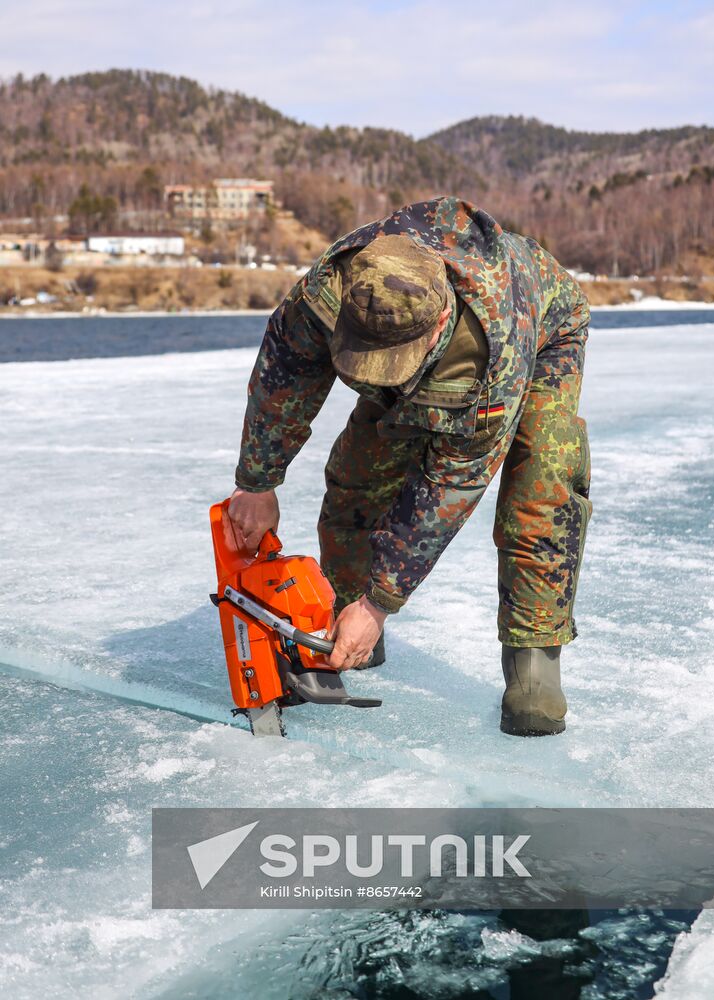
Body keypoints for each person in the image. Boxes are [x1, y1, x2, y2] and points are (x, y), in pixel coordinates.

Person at [227, 196, 591, 736]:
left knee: (542, 487)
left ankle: (533, 664)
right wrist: (257, 481)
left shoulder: (492, 348)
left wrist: (380, 604)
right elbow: (286, 373)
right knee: (359, 473)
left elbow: (449, 487)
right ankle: (343, 637)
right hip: (421, 343)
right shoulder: (331, 290)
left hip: (540, 338)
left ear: (438, 321)